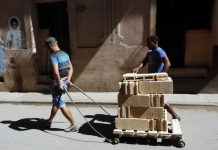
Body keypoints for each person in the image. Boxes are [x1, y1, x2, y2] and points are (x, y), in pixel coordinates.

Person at [132, 35, 181, 121]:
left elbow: (168, 63)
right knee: (150, 98)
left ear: (154, 42)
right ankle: (153, 116)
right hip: (151, 79)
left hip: (157, 80)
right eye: (147, 43)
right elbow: (144, 62)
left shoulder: (159, 51)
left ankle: (174, 115)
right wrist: (138, 67)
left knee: (159, 99)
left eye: (149, 43)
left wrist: (162, 75)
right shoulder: (150, 52)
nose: (147, 44)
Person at [44, 37, 78, 132]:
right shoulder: (65, 54)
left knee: (61, 104)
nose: (47, 49)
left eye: (47, 47)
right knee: (57, 102)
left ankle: (73, 124)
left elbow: (55, 72)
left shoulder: (53, 56)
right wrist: (68, 80)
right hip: (64, 81)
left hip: (57, 83)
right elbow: (70, 68)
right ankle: (49, 121)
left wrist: (59, 84)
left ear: (50, 46)